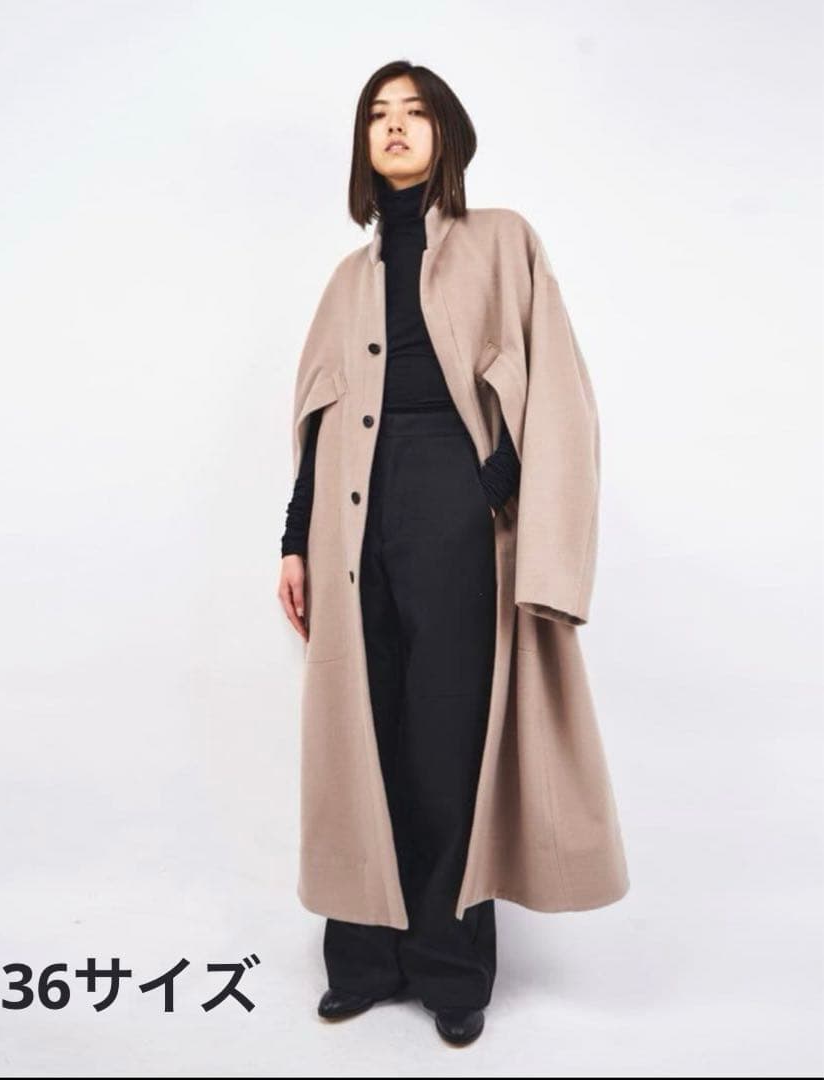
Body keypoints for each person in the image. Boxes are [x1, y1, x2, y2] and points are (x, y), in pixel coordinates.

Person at [277, 60, 630, 1048]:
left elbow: (557, 390)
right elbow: (317, 422)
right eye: (376, 115)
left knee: (446, 742)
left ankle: (449, 966)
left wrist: (496, 483)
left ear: (447, 134)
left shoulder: (502, 240)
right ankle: (364, 960)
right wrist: (294, 543)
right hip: (351, 522)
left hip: (454, 516)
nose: (393, 126)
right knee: (362, 738)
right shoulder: (345, 280)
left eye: (414, 111)